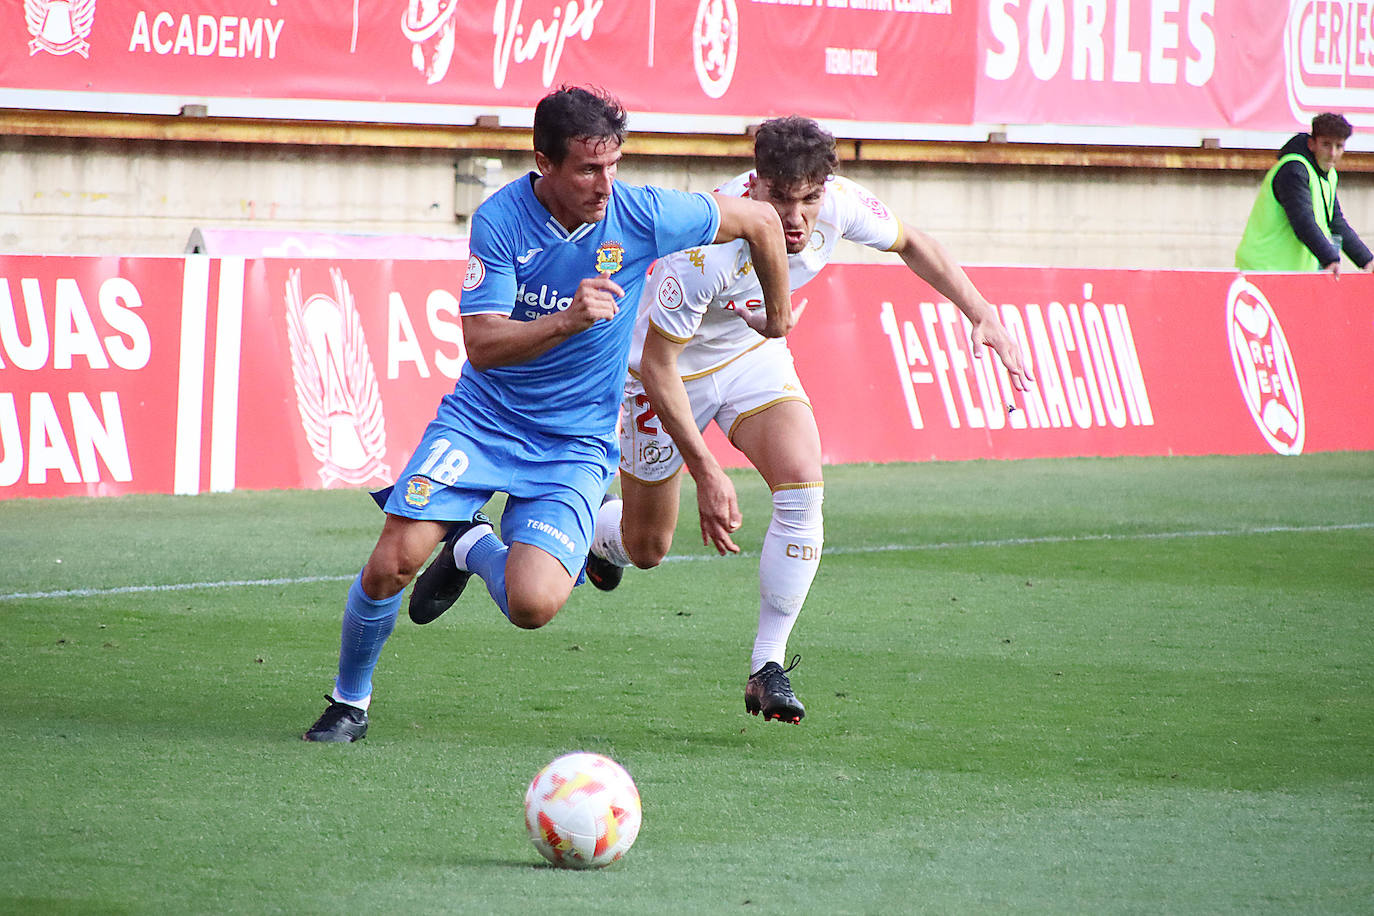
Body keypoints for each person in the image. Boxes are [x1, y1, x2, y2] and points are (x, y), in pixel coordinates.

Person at [303, 86, 793, 742]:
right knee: (393, 559)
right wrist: (567, 320)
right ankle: (349, 704)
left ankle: (473, 543)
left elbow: (760, 223)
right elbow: (482, 344)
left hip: (574, 442)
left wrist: (779, 323)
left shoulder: (643, 213)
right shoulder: (501, 220)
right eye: (589, 169)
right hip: (483, 421)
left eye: (614, 164)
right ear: (545, 162)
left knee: (533, 606)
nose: (605, 183)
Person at [583, 116, 1033, 724]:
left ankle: (766, 667)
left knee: (803, 485)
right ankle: (588, 532)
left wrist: (984, 313)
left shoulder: (840, 205)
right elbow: (659, 367)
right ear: (755, 185)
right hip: (664, 376)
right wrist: (708, 471)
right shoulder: (704, 243)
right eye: (780, 198)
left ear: (826, 188)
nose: (796, 218)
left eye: (810, 199)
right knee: (647, 549)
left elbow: (912, 242)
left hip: (752, 358)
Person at [1236, 112, 1373, 273]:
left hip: (1290, 272)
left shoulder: (1328, 175)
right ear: (1311, 144)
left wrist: (1367, 260)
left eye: (1339, 146)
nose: (1332, 153)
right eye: (1326, 145)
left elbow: (1336, 223)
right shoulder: (1293, 170)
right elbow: (1303, 221)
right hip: (1264, 269)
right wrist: (1330, 259)